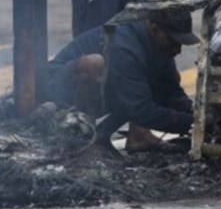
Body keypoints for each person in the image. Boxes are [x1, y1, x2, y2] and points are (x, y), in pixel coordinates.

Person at [42, 8, 197, 151]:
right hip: (57, 92)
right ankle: (83, 143)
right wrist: (193, 125)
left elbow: (172, 93)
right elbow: (141, 111)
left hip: (108, 89)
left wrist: (199, 116)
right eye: (173, 40)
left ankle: (110, 139)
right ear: (153, 27)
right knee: (95, 64)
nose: (178, 49)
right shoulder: (125, 46)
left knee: (146, 84)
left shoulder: (157, 45)